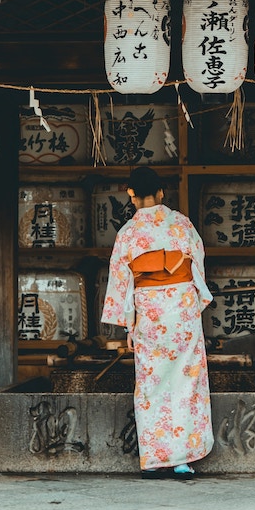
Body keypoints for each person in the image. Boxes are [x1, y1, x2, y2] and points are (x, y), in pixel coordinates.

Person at [101, 166, 214, 479]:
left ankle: (153, 460)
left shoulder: (128, 234)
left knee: (151, 385)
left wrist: (128, 323)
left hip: (150, 313)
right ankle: (182, 460)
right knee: (186, 382)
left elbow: (122, 281)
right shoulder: (182, 225)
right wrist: (192, 300)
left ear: (131, 195)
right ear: (162, 192)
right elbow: (197, 264)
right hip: (182, 311)